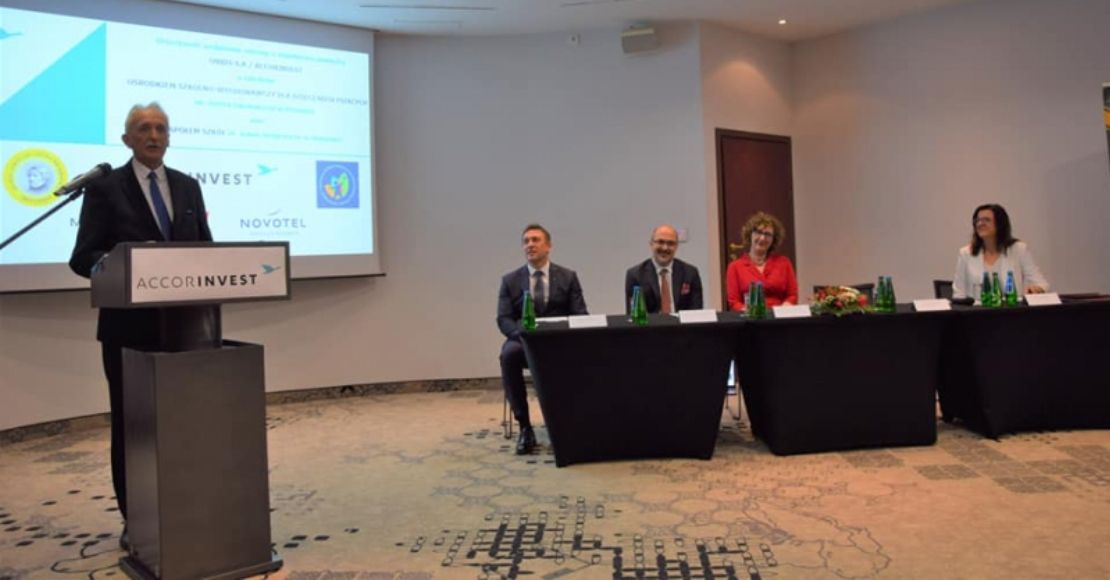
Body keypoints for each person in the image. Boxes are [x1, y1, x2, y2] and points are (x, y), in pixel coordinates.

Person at [69, 103, 213, 548]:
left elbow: (205, 251)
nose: (154, 135)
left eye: (161, 128)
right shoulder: (105, 188)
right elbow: (83, 257)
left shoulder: (188, 187)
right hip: (127, 331)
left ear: (169, 137)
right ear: (127, 139)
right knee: (133, 428)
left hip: (186, 328)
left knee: (185, 422)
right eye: (144, 128)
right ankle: (138, 519)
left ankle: (187, 507)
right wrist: (125, 263)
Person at [497, 224, 588, 455]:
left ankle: (570, 422)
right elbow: (504, 319)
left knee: (582, 354)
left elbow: (580, 314)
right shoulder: (510, 280)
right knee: (508, 355)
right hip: (523, 341)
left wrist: (562, 336)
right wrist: (524, 336)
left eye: (535, 240)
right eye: (526, 241)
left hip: (557, 342)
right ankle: (525, 427)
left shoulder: (568, 277)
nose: (530, 245)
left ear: (548, 246)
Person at [952, 203, 1048, 299]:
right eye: (977, 220)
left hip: (1011, 307)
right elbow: (959, 293)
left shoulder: (1019, 249)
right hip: (977, 308)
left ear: (1000, 224)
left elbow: (1042, 284)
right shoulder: (965, 253)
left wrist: (1036, 289)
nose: (980, 224)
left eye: (986, 220)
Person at [726, 211, 798, 311]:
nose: (762, 238)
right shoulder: (735, 267)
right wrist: (751, 312)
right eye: (758, 232)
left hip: (779, 316)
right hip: (750, 317)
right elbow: (734, 302)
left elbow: (792, 295)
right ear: (750, 234)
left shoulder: (784, 263)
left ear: (773, 239)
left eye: (768, 234)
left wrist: (784, 309)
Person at [624, 224, 703, 314]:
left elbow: (696, 314)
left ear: (676, 246)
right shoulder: (635, 275)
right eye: (660, 242)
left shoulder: (690, 273)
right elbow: (636, 316)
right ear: (651, 244)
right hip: (651, 323)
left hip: (682, 323)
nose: (665, 248)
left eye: (670, 243)